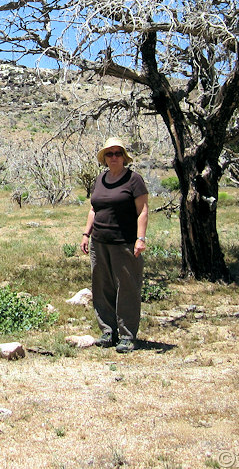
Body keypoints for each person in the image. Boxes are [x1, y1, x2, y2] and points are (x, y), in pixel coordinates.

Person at [79, 136, 149, 352]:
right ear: (104, 158)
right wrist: (86, 233)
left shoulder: (133, 180)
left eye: (118, 153)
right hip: (100, 242)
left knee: (127, 287)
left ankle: (127, 335)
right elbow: (94, 208)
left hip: (124, 242)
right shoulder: (100, 179)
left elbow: (143, 210)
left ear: (124, 157)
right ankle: (108, 331)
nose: (114, 157)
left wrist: (140, 238)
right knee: (102, 287)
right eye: (109, 154)